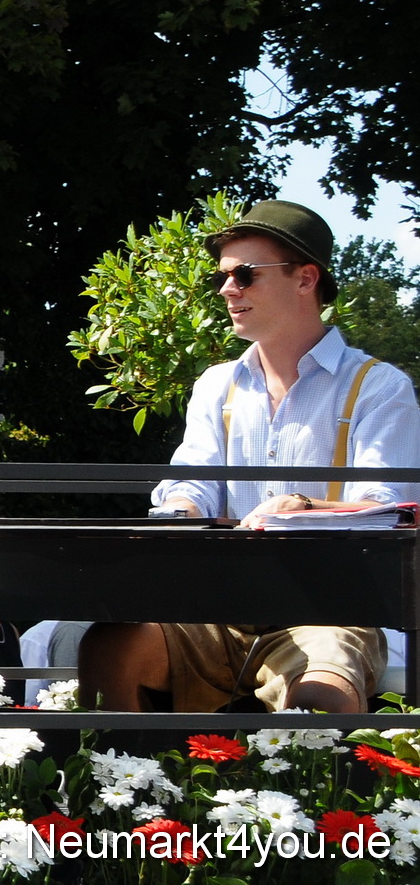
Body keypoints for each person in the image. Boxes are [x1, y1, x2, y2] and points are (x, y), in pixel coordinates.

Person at [78, 200, 420, 713]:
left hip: (328, 610)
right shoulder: (217, 384)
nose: (227, 289)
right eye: (225, 276)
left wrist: (300, 507)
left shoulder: (378, 387)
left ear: (306, 279)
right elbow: (190, 482)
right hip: (218, 606)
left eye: (245, 274)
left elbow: (388, 508)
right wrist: (183, 513)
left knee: (321, 693)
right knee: (111, 647)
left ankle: (325, 796)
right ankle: (127, 790)